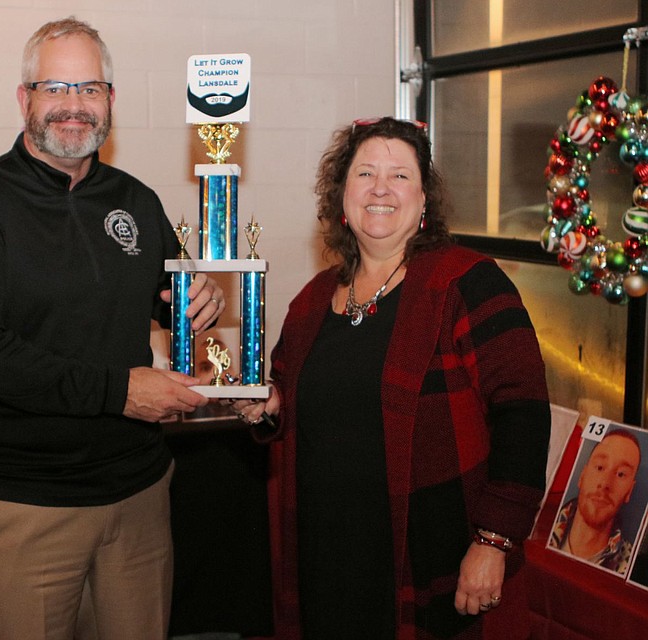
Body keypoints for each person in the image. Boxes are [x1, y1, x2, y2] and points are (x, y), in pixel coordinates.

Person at [0, 17, 224, 640]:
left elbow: (169, 304)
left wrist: (202, 302)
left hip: (137, 497)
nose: (73, 106)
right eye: (55, 88)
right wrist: (119, 392)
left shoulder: (136, 201)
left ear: (111, 100)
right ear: (24, 97)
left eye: (90, 88)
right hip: (23, 506)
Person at [230, 117, 550, 639]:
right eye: (365, 174)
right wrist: (269, 405)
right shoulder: (311, 302)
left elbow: (524, 414)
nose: (381, 188)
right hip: (325, 563)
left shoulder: (467, 282)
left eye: (400, 176)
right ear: (343, 197)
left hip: (429, 563)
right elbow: (290, 398)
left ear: (424, 201)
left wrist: (494, 540)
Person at [549, 429, 641, 574]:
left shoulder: (629, 564)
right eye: (600, 467)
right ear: (582, 476)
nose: (605, 483)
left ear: (629, 491)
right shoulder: (546, 525)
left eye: (621, 474)